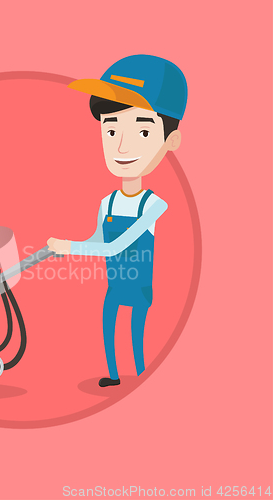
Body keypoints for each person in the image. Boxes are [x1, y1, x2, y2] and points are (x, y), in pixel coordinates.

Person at [47, 54, 188, 387]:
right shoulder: (107, 201)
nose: (121, 145)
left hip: (139, 289)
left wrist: (70, 246)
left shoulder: (154, 204)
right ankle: (113, 375)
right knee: (108, 327)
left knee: (134, 332)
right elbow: (98, 240)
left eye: (142, 131)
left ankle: (140, 374)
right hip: (114, 286)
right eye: (111, 129)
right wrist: (66, 249)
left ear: (171, 141)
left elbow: (116, 246)